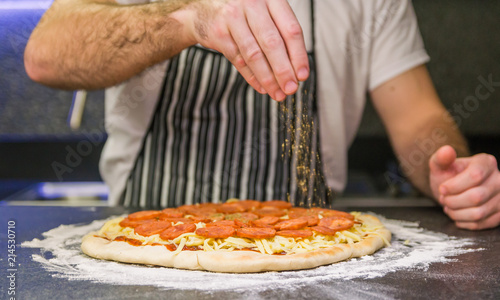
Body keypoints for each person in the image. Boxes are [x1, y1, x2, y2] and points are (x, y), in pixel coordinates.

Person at [24, 0, 499, 230]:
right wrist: (188, 21)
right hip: (148, 236)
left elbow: (418, 119)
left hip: (308, 243)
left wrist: (450, 171)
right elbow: (44, 56)